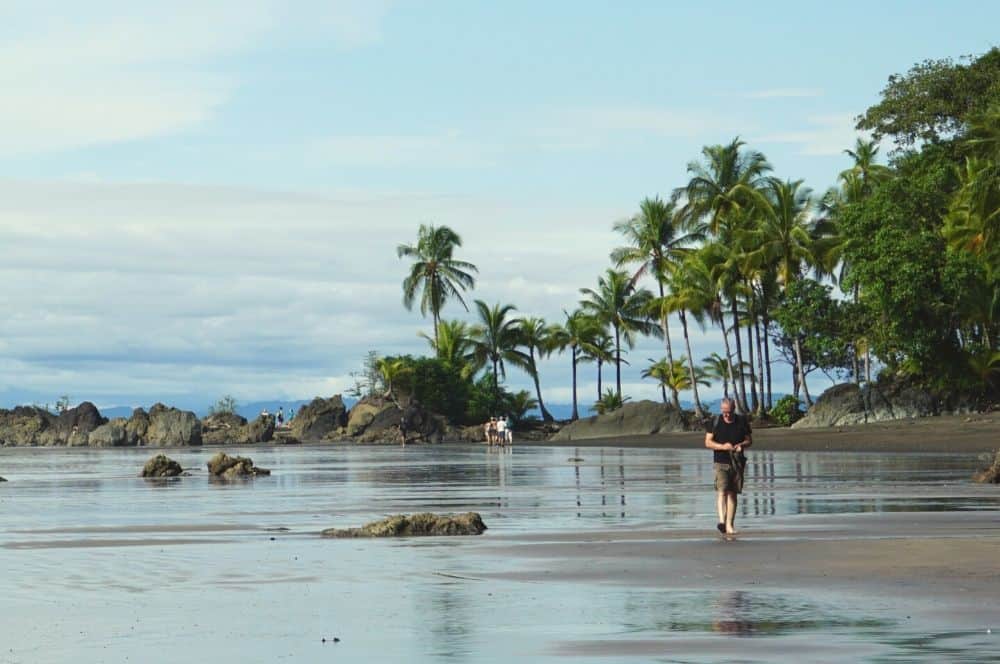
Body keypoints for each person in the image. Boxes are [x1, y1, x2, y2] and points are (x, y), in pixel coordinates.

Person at [704, 397, 752, 535]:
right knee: (722, 490)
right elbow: (708, 442)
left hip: (737, 462)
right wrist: (723, 447)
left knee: (733, 494)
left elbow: (749, 440)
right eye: (724, 412)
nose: (727, 415)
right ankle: (722, 521)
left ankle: (729, 525)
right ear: (721, 409)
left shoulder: (742, 421)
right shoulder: (715, 421)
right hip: (721, 462)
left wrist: (741, 445)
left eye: (729, 412)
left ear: (734, 409)